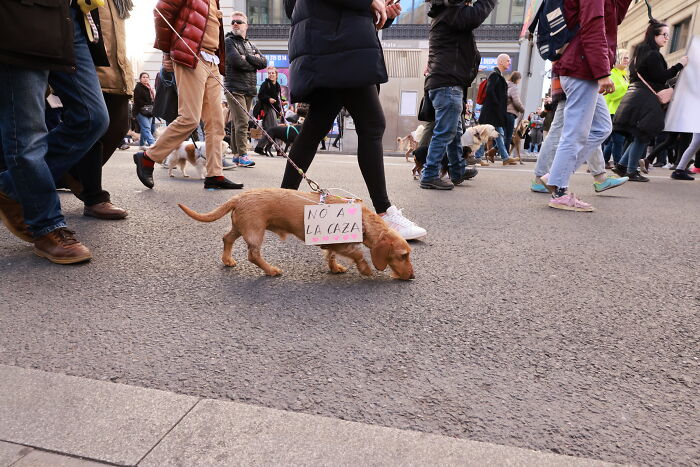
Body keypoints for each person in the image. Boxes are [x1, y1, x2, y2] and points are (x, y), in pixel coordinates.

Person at [280, 0, 426, 240]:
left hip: (330, 41)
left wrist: (380, 14)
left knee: (316, 127)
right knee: (371, 123)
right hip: (338, 44)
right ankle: (384, 211)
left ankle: (282, 204)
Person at [0, 1, 109, 263]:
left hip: (70, 15)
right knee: (27, 133)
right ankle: (46, 226)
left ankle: (8, 187)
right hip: (23, 12)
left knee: (92, 118)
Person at [134, 0, 243, 190]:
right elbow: (161, 10)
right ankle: (148, 157)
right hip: (191, 55)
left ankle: (214, 174)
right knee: (190, 118)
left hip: (212, 61)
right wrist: (167, 52)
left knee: (216, 123)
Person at [543, 0, 633, 212]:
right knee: (575, 133)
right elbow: (593, 27)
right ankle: (560, 192)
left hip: (584, 66)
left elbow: (614, 18)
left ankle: (556, 176)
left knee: (601, 127)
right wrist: (603, 72)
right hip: (582, 67)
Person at [420, 0, 496, 190]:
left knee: (453, 132)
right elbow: (476, 15)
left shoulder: (445, 13)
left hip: (447, 82)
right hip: (448, 83)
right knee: (445, 132)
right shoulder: (451, 12)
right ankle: (429, 175)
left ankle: (457, 171)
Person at [613, 20, 687, 182]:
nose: (667, 38)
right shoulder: (653, 54)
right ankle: (631, 171)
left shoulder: (640, 52)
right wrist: (679, 65)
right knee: (643, 134)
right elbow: (661, 76)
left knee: (639, 134)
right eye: (664, 35)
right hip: (647, 97)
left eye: (669, 35)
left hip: (637, 95)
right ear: (654, 35)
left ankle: (622, 166)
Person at [224, 11, 266, 167]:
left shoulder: (250, 45)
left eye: (239, 22)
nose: (235, 24)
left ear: (246, 25)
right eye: (233, 22)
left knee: (237, 123)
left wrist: (247, 57)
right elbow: (236, 61)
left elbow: (263, 62)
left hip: (248, 89)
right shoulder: (229, 41)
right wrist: (252, 61)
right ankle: (243, 155)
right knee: (242, 122)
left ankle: (236, 155)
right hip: (234, 87)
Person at [473, 54, 517, 168]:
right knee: (486, 134)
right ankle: (478, 157)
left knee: (498, 134)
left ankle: (505, 158)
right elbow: (490, 91)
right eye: (507, 61)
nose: (509, 63)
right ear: (501, 62)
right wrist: (498, 105)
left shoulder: (497, 75)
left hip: (493, 112)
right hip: (491, 111)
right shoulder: (494, 75)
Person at [602, 49, 630, 168]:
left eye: (628, 58)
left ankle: (603, 161)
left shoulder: (624, 75)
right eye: (624, 57)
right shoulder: (612, 73)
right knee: (618, 139)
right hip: (612, 111)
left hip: (621, 111)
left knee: (615, 140)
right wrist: (630, 89)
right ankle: (619, 165)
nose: (627, 60)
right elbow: (612, 93)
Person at [505, 71, 525, 160]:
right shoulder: (514, 87)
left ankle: (502, 154)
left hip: (503, 113)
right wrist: (522, 108)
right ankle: (505, 157)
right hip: (510, 113)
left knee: (504, 134)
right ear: (517, 79)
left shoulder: (506, 85)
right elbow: (516, 101)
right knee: (508, 136)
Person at [133, 72, 156, 149]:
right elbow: (137, 100)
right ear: (140, 79)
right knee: (146, 128)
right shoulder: (138, 87)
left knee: (145, 128)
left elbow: (153, 100)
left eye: (147, 77)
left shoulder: (149, 88)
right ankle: (153, 144)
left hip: (149, 111)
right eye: (143, 77)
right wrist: (148, 104)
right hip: (140, 111)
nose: (145, 78)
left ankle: (142, 144)